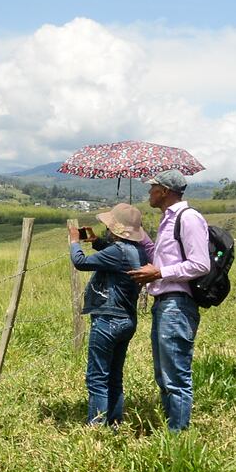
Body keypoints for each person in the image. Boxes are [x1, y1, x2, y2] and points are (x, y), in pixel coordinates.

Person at [127, 170, 210, 431]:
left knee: (175, 376)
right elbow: (163, 257)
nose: (149, 192)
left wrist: (160, 272)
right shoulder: (168, 220)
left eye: (152, 188)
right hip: (164, 303)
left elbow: (200, 264)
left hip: (177, 304)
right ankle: (171, 429)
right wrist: (138, 234)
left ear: (164, 191)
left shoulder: (189, 218)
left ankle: (177, 437)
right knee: (163, 375)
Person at [69, 204, 149, 427]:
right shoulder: (138, 251)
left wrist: (74, 242)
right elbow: (116, 257)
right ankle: (114, 424)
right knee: (114, 377)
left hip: (108, 319)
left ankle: (96, 428)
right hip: (126, 319)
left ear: (116, 228)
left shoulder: (117, 251)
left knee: (97, 377)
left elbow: (80, 262)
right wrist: (96, 242)